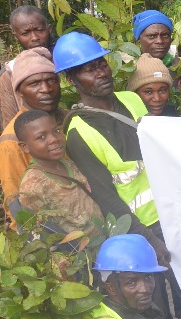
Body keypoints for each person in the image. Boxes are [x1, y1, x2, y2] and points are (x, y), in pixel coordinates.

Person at [57, 33, 171, 268]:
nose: (101, 73)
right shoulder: (79, 133)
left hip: (172, 213)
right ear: (71, 80)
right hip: (142, 228)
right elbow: (105, 196)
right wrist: (149, 239)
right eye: (89, 70)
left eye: (101, 64)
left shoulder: (131, 99)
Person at [13, 109, 103, 238]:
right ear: (24, 147)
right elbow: (37, 233)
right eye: (41, 137)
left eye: (56, 131)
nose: (54, 139)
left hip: (104, 241)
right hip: (77, 254)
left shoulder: (69, 163)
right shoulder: (33, 186)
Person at [0, 49, 63, 221]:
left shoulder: (67, 118)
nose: (46, 89)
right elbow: (16, 204)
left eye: (51, 80)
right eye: (34, 84)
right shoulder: (13, 140)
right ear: (20, 92)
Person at [1, 6, 53, 130]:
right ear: (16, 37)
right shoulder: (9, 74)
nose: (34, 37)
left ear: (49, 29)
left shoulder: (65, 61)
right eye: (26, 33)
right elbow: (9, 122)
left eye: (39, 30)